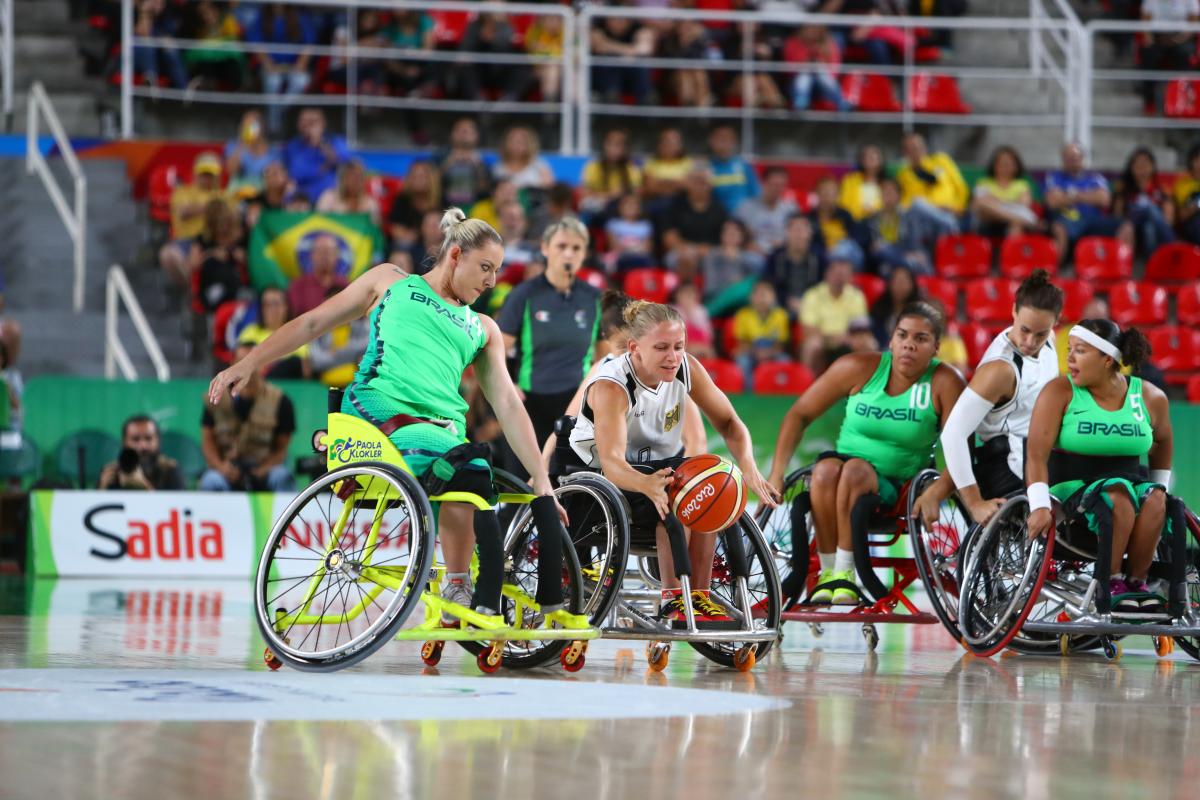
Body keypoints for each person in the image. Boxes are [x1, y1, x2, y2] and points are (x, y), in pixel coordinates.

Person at [207, 208, 574, 622]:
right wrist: (249, 362)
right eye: (485, 267)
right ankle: (465, 588)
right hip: (375, 411)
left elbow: (507, 403)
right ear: (455, 256)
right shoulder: (390, 281)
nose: (492, 281)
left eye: (498, 270)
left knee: (470, 464)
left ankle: (459, 582)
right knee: (467, 463)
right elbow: (313, 323)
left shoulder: (482, 327)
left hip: (438, 432)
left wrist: (542, 481)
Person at [567, 300, 779, 624]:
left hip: (660, 466)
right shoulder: (612, 385)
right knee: (676, 493)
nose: (673, 356)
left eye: (679, 346)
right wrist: (648, 484)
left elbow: (731, 424)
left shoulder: (686, 368)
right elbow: (611, 462)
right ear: (635, 348)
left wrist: (748, 467)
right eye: (662, 347)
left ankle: (699, 596)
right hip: (600, 478)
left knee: (712, 486)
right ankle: (672, 599)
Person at [768, 302, 965, 603]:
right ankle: (829, 575)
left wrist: (938, 491)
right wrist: (776, 474)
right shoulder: (858, 367)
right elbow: (798, 415)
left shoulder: (946, 382)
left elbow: (961, 449)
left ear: (936, 347)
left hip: (899, 487)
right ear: (891, 340)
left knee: (854, 471)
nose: (909, 345)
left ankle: (845, 574)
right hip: (840, 475)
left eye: (921, 339)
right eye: (902, 335)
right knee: (823, 471)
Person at [1025, 319, 1172, 613]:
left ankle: (1136, 585)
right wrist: (1039, 504)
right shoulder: (1059, 392)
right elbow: (1036, 454)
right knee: (1118, 496)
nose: (1070, 358)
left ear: (1107, 360)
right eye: (1070, 349)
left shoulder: (1149, 397)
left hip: (1128, 484)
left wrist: (1161, 486)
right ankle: (1112, 581)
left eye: (1080, 351)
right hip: (1071, 492)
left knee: (1156, 499)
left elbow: (1162, 443)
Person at [913, 271, 1064, 527]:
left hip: (1038, 455)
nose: (1030, 342)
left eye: (1040, 334)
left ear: (1055, 323)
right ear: (1014, 311)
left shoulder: (1049, 341)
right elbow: (953, 435)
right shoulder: (1000, 371)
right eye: (1025, 330)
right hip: (1006, 465)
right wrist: (974, 503)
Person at [497, 217, 600, 458]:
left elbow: (604, 358)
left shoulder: (594, 299)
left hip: (577, 407)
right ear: (545, 248)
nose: (568, 254)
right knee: (525, 489)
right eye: (561, 246)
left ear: (584, 253)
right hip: (531, 405)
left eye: (576, 248)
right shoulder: (524, 295)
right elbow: (497, 350)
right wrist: (509, 385)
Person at [201, 339, 296, 493]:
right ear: (232, 363)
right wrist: (220, 466)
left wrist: (264, 469)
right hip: (228, 468)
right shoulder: (216, 397)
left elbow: (281, 449)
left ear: (263, 365)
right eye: (240, 361)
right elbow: (208, 441)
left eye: (252, 362)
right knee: (210, 480)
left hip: (263, 469)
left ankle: (289, 517)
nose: (247, 368)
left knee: (282, 477)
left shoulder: (280, 400)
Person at [1044, 142, 1134, 258]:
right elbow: (1053, 202)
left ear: (1082, 159)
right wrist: (1090, 196)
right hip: (1066, 219)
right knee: (1059, 228)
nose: (1071, 161)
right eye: (1068, 158)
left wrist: (1070, 195)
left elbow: (1104, 199)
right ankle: (1055, 271)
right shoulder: (1054, 176)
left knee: (1127, 227)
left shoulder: (1095, 178)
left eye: (1075, 158)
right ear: (1062, 159)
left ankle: (1122, 266)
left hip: (1093, 220)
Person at [160, 152, 232, 289]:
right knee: (167, 255)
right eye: (203, 173)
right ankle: (191, 285)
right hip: (186, 241)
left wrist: (199, 208)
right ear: (195, 173)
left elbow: (228, 218)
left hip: (215, 240)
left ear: (218, 175)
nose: (207, 178)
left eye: (210, 174)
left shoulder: (224, 194)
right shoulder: (182, 192)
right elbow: (183, 212)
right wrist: (214, 206)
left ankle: (195, 284)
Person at [249, 4, 317, 135]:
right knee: (273, 82)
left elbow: (309, 45)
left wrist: (300, 64)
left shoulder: (299, 16)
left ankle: (276, 113)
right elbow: (256, 43)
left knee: (301, 81)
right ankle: (274, 125)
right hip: (271, 66)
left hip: (293, 66)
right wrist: (269, 65)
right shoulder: (261, 16)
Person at [799, 250, 869, 375]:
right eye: (837, 273)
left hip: (849, 341)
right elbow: (808, 329)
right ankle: (807, 386)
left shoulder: (857, 296)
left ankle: (865, 389)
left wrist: (850, 338)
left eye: (844, 274)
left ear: (850, 276)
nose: (840, 277)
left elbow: (861, 327)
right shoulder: (813, 294)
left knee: (869, 343)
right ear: (827, 274)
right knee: (813, 344)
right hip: (823, 341)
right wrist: (835, 337)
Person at [896, 132, 966, 252]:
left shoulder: (941, 161)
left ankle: (941, 260)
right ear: (905, 153)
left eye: (919, 146)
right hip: (923, 220)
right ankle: (949, 225)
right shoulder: (904, 174)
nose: (917, 151)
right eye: (911, 148)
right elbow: (906, 202)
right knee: (916, 204)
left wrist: (957, 208)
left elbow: (961, 187)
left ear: (925, 147)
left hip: (948, 212)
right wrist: (932, 208)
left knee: (941, 221)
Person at [1112, 147, 1175, 258]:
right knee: (1147, 213)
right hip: (1131, 231)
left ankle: (1154, 262)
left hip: (1156, 230)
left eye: (1145, 164)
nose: (1142, 168)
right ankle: (1173, 248)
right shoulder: (1123, 188)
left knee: (1149, 223)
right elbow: (1117, 215)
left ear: (1153, 167)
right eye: (1138, 165)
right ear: (1131, 168)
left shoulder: (1161, 188)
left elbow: (1168, 218)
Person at [236, 287, 310, 380]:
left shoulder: (296, 332)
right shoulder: (251, 331)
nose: (272, 309)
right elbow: (239, 359)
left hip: (287, 383)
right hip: (255, 381)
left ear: (286, 307)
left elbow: (305, 369)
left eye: (276, 303)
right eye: (267, 304)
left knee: (294, 363)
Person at [98, 415, 185, 491]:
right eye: (135, 439)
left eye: (148, 438)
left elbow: (178, 506)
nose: (143, 446)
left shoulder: (170, 470)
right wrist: (102, 489)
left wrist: (145, 488)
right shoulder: (111, 472)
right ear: (124, 442)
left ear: (157, 441)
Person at [189, 199, 246, 313]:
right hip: (212, 287)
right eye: (218, 222)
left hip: (236, 286)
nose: (223, 226)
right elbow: (193, 265)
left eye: (225, 221)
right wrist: (211, 254)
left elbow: (249, 262)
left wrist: (242, 257)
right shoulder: (203, 240)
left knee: (240, 289)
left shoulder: (238, 238)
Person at [283, 109, 349, 205]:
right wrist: (324, 167)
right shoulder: (292, 146)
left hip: (329, 195)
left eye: (313, 122)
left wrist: (321, 143)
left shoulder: (335, 141)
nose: (308, 126)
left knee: (330, 198)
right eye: (303, 121)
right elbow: (295, 174)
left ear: (323, 124)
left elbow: (345, 163)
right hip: (301, 195)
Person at [971, 146, 1039, 238]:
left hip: (1011, 221)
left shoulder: (1022, 185)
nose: (1006, 167)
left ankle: (1010, 251)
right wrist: (1008, 207)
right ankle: (1015, 219)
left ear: (1016, 166)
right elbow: (978, 205)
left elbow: (1023, 205)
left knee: (1016, 225)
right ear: (995, 165)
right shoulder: (984, 182)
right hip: (989, 220)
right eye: (1003, 163)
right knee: (981, 207)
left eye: (1010, 164)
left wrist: (995, 202)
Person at [732, 281, 791, 388]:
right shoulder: (743, 315)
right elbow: (743, 343)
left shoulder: (781, 315)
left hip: (773, 353)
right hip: (751, 352)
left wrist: (768, 353)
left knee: (784, 361)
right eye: (758, 295)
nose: (762, 299)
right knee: (743, 361)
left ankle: (779, 390)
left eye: (765, 295)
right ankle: (749, 393)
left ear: (773, 297)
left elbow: (780, 344)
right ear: (751, 298)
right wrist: (756, 352)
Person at [700, 219, 765, 316]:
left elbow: (761, 271)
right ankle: (707, 312)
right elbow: (710, 287)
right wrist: (731, 285)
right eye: (727, 232)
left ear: (741, 237)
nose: (731, 235)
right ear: (721, 235)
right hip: (718, 296)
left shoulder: (747, 256)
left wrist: (738, 258)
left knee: (754, 281)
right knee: (739, 288)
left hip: (743, 300)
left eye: (735, 232)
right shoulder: (712, 256)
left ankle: (705, 313)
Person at [762, 214, 823, 317]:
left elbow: (823, 286)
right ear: (787, 233)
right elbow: (769, 284)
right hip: (781, 304)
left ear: (810, 233)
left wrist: (808, 303)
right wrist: (787, 300)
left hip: (813, 304)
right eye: (795, 230)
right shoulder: (775, 257)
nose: (798, 235)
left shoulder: (819, 258)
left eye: (802, 230)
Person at [387, 160, 442, 268]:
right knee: (401, 250)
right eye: (415, 176)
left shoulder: (439, 201)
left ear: (430, 178)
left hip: (433, 243)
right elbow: (395, 229)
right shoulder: (402, 200)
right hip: (410, 245)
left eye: (422, 176)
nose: (418, 180)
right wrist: (417, 235)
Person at [580, 129, 642, 220]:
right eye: (611, 144)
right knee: (587, 210)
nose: (614, 149)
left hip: (621, 209)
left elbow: (636, 194)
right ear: (605, 146)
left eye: (619, 145)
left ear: (625, 148)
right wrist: (610, 195)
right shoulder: (592, 167)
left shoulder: (632, 169)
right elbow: (586, 194)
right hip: (597, 207)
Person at [736, 167, 800, 254]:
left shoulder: (791, 209)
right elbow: (735, 234)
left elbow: (799, 234)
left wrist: (784, 244)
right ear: (763, 184)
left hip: (782, 254)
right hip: (753, 254)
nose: (777, 189)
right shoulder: (746, 208)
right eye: (773, 184)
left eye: (781, 185)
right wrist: (747, 244)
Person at [438, 118, 492, 210]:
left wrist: (477, 166)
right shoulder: (440, 156)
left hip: (476, 208)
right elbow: (432, 184)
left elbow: (486, 190)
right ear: (452, 134)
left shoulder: (485, 161)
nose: (464, 133)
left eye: (468, 130)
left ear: (477, 135)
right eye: (460, 130)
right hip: (445, 207)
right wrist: (448, 163)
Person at [287, 234, 347, 317]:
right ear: (312, 255)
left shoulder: (346, 285)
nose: (324, 256)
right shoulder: (298, 286)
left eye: (329, 252)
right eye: (320, 251)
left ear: (336, 256)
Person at [707, 125, 761, 214]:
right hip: (717, 220)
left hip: (743, 220)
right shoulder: (707, 167)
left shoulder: (744, 166)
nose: (724, 143)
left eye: (728, 139)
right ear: (712, 141)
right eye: (721, 139)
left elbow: (756, 194)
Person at [316, 160, 382, 227]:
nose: (356, 181)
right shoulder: (328, 198)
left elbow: (374, 230)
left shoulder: (370, 203)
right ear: (342, 179)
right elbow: (320, 223)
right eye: (352, 177)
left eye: (360, 177)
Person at [224, 111, 277, 193]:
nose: (249, 128)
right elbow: (231, 170)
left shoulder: (273, 151)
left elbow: (274, 175)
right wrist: (243, 143)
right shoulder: (233, 146)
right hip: (238, 193)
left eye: (253, 125)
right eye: (246, 125)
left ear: (262, 127)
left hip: (262, 194)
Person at [868, 264, 920, 347]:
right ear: (889, 284)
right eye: (896, 281)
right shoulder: (879, 308)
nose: (900, 286)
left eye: (904, 282)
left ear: (912, 285)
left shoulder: (920, 311)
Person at [492, 127, 553, 192]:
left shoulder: (540, 165)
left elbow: (549, 190)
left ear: (529, 144)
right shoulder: (498, 168)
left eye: (520, 142)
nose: (515, 145)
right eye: (512, 141)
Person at [839, 144, 886, 221]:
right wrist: (862, 211)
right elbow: (843, 204)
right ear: (861, 161)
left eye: (873, 156)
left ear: (881, 160)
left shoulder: (886, 183)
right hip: (854, 223)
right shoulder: (849, 180)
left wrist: (875, 212)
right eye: (866, 156)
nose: (870, 158)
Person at [1173, 142, 1200, 246]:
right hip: (1192, 223)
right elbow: (1181, 216)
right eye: (1197, 159)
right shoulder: (1183, 184)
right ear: (1191, 162)